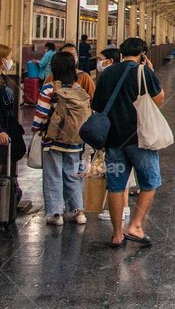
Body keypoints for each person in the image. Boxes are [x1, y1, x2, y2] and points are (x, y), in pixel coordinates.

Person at [92, 37, 165, 247]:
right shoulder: (143, 72)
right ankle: (136, 225)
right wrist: (151, 72)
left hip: (113, 140)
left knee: (115, 186)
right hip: (141, 139)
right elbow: (158, 100)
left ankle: (117, 235)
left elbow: (97, 104)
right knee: (149, 183)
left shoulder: (107, 73)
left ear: (122, 53)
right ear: (143, 54)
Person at [32, 51, 90, 226]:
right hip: (75, 141)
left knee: (53, 176)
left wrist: (36, 129)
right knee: (73, 175)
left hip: (53, 141)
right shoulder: (79, 90)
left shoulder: (49, 89)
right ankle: (78, 212)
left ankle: (55, 214)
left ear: (54, 68)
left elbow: (41, 115)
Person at [93, 46, 131, 222]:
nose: (98, 62)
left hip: (112, 132)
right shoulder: (132, 73)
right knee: (124, 170)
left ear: (110, 60)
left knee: (115, 172)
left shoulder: (107, 76)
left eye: (100, 59)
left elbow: (97, 105)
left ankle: (116, 210)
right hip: (130, 132)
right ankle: (125, 206)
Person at [0, 44, 28, 214]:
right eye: (9, 58)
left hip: (8, 130)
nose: (11, 61)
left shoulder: (3, 80)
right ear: (2, 60)